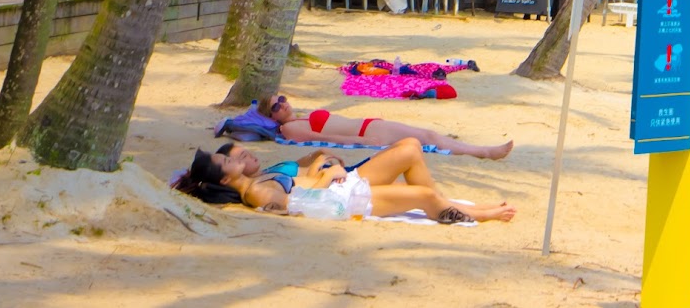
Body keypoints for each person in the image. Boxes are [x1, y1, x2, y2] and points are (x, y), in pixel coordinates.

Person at [176, 139, 515, 223]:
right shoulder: (254, 192)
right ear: (223, 176)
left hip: (341, 190)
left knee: (412, 160)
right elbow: (290, 208)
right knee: (423, 195)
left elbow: (295, 194)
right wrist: (326, 179)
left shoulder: (254, 183)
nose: (233, 158)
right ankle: (480, 214)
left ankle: (457, 207)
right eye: (225, 160)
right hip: (343, 201)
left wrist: (322, 172)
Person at [224, 94, 513, 159]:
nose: (283, 105)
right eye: (276, 106)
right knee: (428, 137)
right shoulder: (289, 130)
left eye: (282, 99)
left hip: (370, 126)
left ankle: (482, 151)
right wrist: (364, 142)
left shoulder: (297, 117)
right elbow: (324, 138)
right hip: (367, 134)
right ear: (272, 118)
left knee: (429, 135)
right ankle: (484, 152)